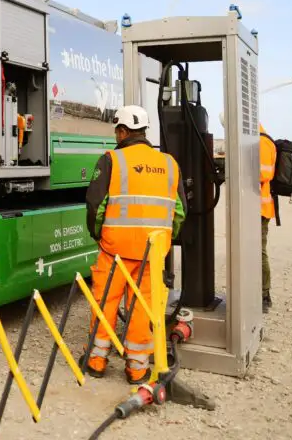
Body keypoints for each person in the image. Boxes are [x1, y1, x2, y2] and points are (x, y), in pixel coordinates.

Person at [82, 105, 186, 384]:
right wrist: (164, 240)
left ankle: (96, 361)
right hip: (151, 253)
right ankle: (137, 368)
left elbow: (95, 206)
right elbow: (179, 212)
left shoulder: (111, 160)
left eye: (117, 131)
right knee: (142, 309)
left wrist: (97, 235)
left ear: (123, 131)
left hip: (114, 250)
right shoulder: (169, 164)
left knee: (106, 303)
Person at [259, 124, 277, 313]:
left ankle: (264, 294)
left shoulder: (262, 142)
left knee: (258, 251)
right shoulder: (257, 140)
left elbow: (262, 173)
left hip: (260, 209)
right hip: (254, 208)